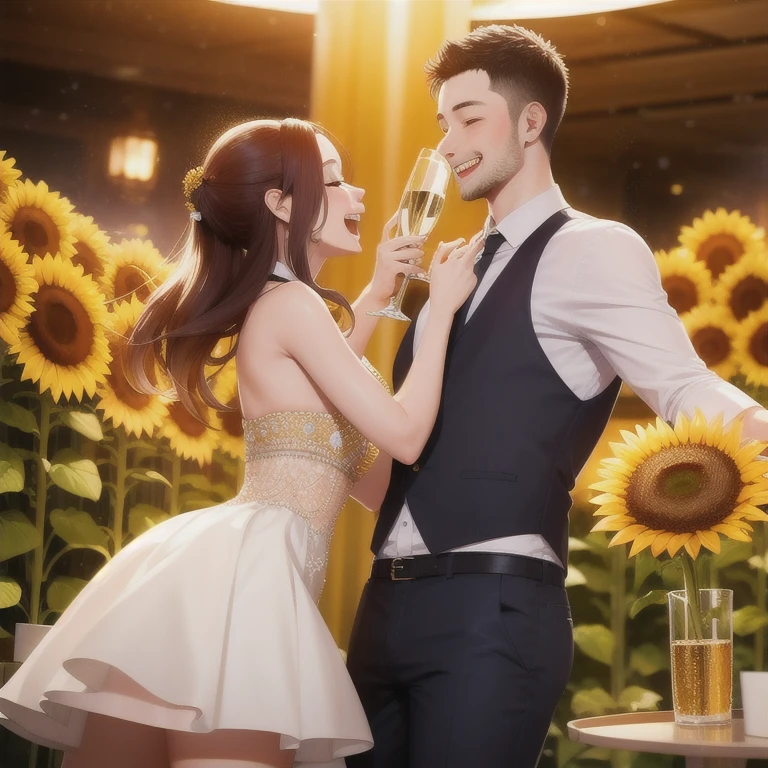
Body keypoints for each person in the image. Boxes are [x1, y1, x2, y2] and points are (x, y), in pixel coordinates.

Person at [346, 25, 768, 768]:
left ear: (531, 122)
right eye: (444, 123)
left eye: (471, 118)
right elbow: (401, 465)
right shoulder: (449, 265)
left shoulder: (592, 247)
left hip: (492, 613)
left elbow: (680, 383)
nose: (447, 145)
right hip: (382, 608)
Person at [0, 118, 481, 768]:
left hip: (226, 568)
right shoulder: (293, 306)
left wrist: (373, 297)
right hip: (246, 580)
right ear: (282, 203)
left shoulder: (284, 306)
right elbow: (403, 432)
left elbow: (355, 450)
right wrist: (442, 309)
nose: (359, 195)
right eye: (334, 180)